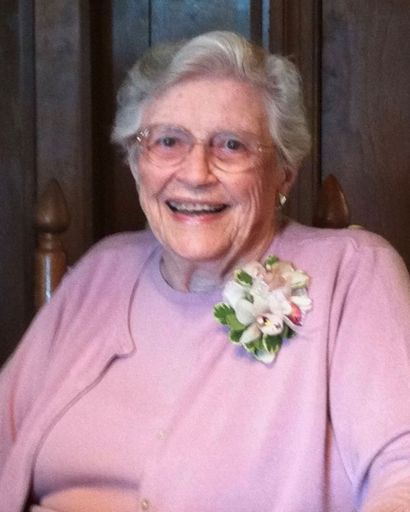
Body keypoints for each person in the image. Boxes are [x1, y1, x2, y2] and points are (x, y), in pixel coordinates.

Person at [1, 30, 410, 512]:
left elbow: (403, 473)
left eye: (232, 145)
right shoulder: (100, 272)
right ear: (136, 163)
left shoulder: (353, 273)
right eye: (168, 141)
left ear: (283, 173)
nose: (196, 174)